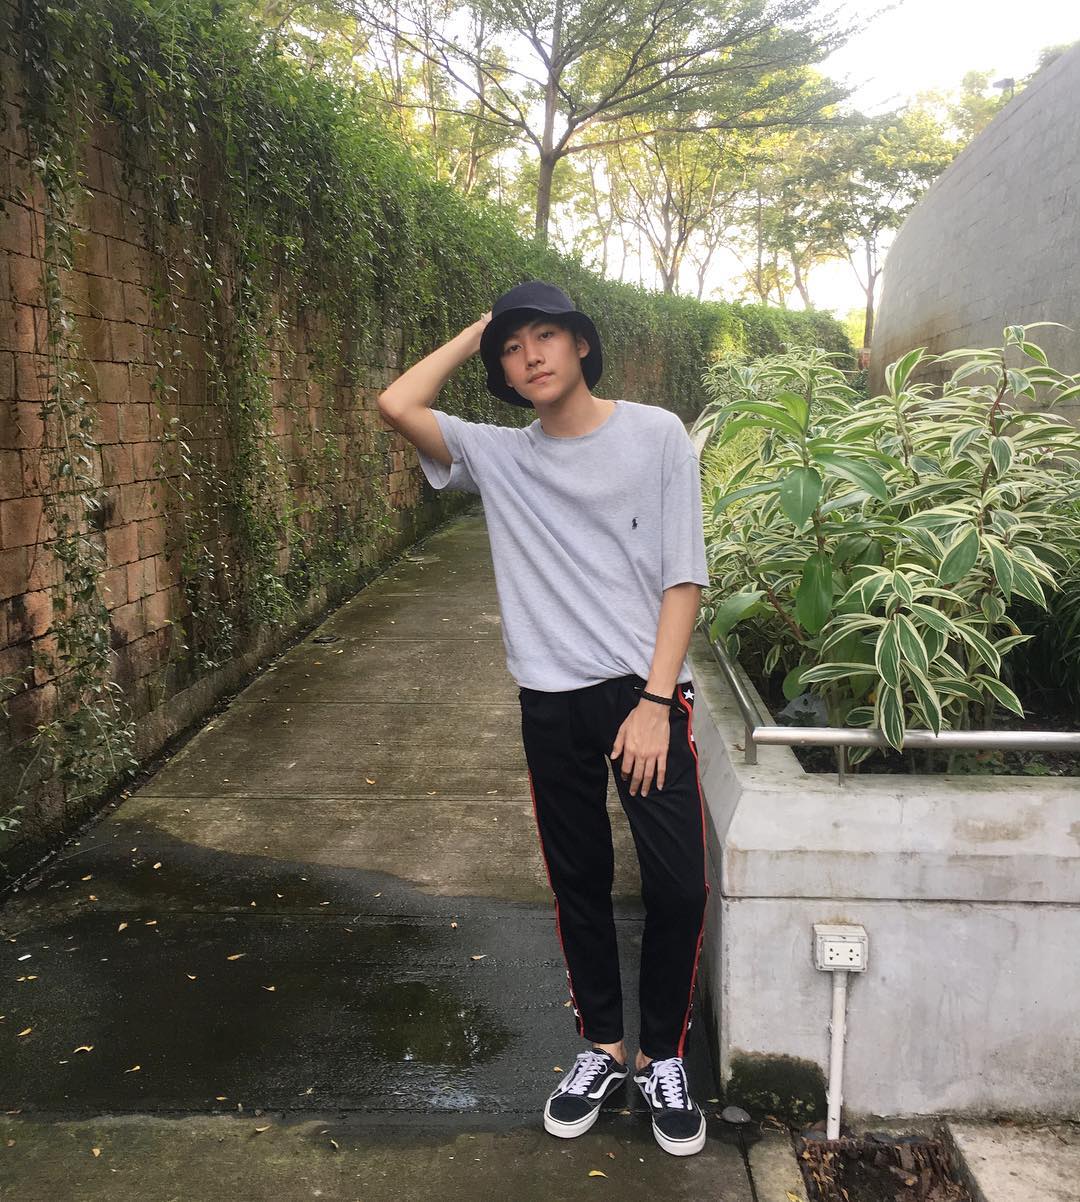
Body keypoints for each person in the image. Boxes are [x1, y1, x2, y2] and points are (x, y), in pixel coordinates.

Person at [377, 281, 711, 1157]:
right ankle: (603, 1048)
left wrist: (654, 702)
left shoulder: (657, 435)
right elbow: (397, 404)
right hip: (551, 701)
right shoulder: (499, 455)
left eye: (545, 336)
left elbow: (684, 576)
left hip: (642, 695)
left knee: (678, 884)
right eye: (511, 348)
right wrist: (476, 329)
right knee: (578, 880)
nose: (530, 356)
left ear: (581, 344)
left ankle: (664, 1056)